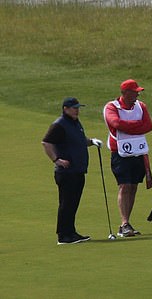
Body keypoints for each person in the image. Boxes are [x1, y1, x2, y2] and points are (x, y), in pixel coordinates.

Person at [42, 97, 103, 245]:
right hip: (66, 172)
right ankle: (63, 236)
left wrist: (91, 142)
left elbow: (78, 140)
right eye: (74, 107)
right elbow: (46, 142)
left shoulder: (75, 123)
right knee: (67, 203)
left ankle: (71, 232)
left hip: (78, 170)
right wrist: (56, 160)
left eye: (78, 107)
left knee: (73, 203)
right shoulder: (59, 125)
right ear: (65, 109)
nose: (77, 110)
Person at [103, 79, 152, 237]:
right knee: (124, 186)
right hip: (120, 153)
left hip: (137, 151)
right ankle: (124, 223)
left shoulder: (141, 106)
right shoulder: (111, 107)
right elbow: (116, 123)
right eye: (134, 92)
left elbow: (148, 126)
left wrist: (130, 127)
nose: (137, 94)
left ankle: (126, 223)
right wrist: (136, 126)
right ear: (125, 93)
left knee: (133, 186)